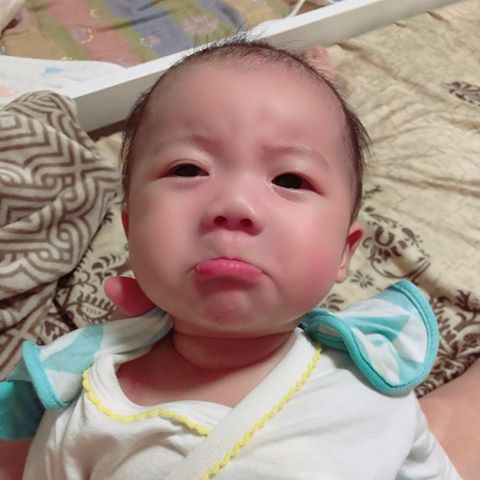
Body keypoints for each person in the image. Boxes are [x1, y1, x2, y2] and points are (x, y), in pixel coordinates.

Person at [0, 39, 462, 479]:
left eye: (290, 179)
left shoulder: (373, 381)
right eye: (188, 169)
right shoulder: (76, 395)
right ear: (130, 227)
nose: (235, 205)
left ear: (345, 250)